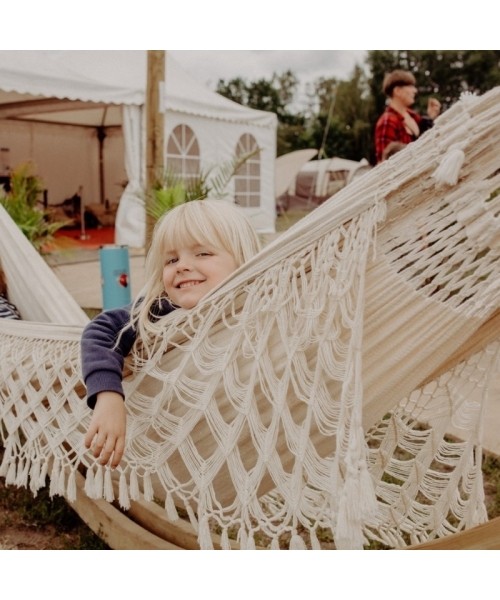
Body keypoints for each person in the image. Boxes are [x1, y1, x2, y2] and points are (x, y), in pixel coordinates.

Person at [81, 199, 262, 468]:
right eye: (172, 259)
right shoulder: (159, 308)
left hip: (247, 431)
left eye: (202, 254)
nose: (182, 266)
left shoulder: (264, 303)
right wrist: (108, 396)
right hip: (178, 433)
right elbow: (100, 331)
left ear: (242, 260)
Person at [374, 69, 441, 164]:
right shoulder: (387, 121)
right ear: (397, 91)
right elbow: (385, 165)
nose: (415, 90)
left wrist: (431, 117)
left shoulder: (414, 117)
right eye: (410, 86)